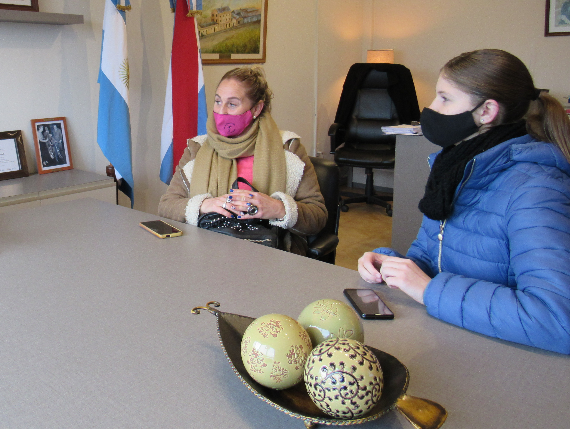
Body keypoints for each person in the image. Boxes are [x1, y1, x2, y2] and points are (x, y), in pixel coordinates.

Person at [358, 49, 570, 354]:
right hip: (446, 338)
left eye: (445, 98)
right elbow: (430, 259)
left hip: (503, 360)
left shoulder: (537, 189)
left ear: (486, 112)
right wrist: (389, 264)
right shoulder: (455, 169)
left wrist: (429, 290)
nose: (431, 108)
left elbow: (556, 319)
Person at [159, 66, 327, 254]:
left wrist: (279, 208)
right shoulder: (197, 149)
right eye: (217, 101)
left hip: (269, 255)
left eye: (232, 104)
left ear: (256, 108)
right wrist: (204, 205)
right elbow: (167, 205)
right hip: (207, 254)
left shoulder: (288, 148)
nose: (221, 112)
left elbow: (317, 217)